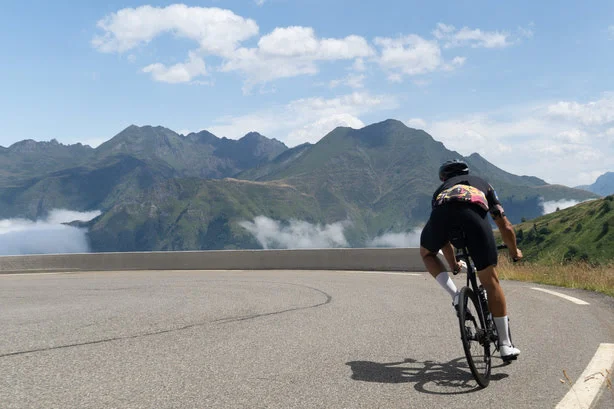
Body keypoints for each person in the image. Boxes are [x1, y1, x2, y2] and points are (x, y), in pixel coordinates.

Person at [419, 159, 523, 361]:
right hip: (474, 220)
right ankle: (505, 344)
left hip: (442, 217)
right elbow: (505, 226)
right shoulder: (483, 184)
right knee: (490, 281)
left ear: (443, 178)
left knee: (426, 253)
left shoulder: (440, 191)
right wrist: (514, 252)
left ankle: (456, 296)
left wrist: (453, 265)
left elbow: (443, 241)